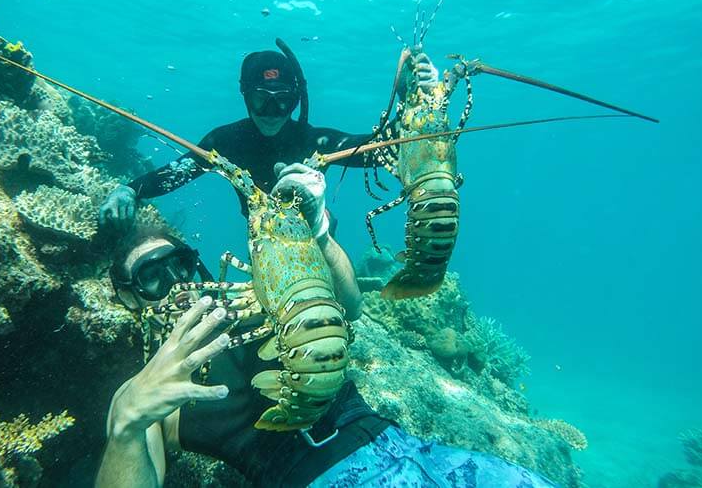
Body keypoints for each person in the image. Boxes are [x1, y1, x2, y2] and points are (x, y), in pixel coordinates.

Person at [95, 175, 556, 487]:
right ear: (131, 298)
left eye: (179, 265)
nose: (175, 285)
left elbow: (349, 305)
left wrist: (317, 231)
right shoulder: (143, 395)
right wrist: (127, 429)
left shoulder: (254, 295)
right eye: (152, 277)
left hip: (408, 448)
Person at [97, 41, 442, 228]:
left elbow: (376, 150)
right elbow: (179, 172)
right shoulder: (224, 143)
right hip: (261, 242)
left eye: (284, 103)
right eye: (261, 101)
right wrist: (129, 190)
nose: (273, 114)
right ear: (245, 96)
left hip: (318, 238)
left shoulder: (316, 141)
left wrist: (414, 100)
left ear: (296, 100)